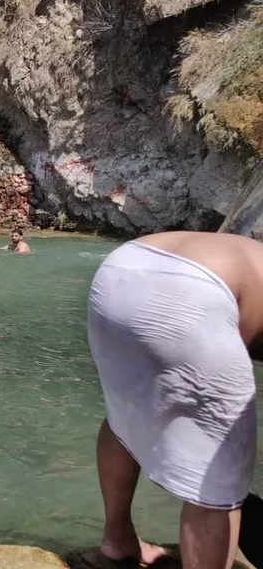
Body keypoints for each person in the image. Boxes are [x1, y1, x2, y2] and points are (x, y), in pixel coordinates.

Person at [87, 232, 263, 569]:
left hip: (121, 269)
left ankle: (117, 540)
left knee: (123, 414)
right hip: (198, 290)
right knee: (220, 472)